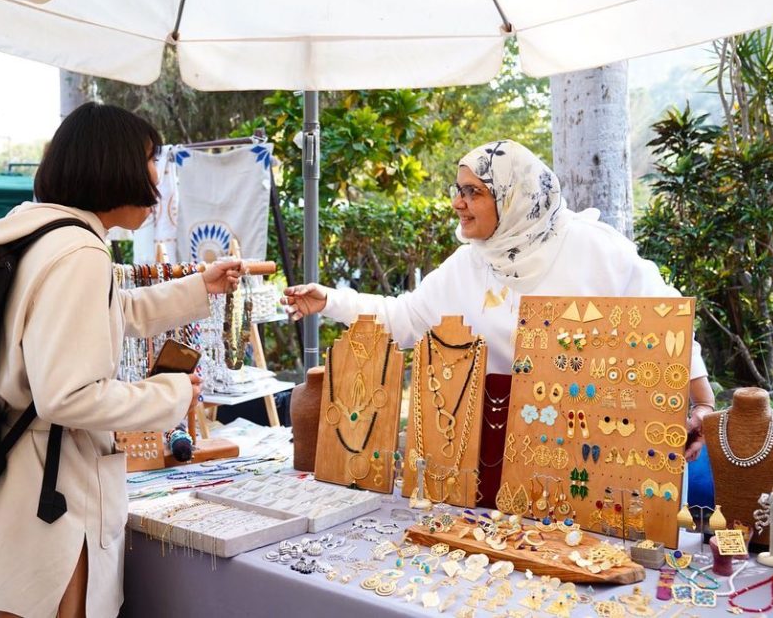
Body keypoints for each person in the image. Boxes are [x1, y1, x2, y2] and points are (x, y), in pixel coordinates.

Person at [0, 102, 242, 618]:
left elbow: (103, 312)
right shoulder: (78, 253)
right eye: (150, 160)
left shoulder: (42, 236)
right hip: (53, 499)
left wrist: (196, 289)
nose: (156, 177)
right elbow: (67, 395)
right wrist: (168, 395)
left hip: (29, 485)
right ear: (112, 164)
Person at [282, 140, 716, 494]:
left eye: (474, 192)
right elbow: (405, 317)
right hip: (499, 449)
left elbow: (666, 323)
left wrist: (703, 403)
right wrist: (330, 301)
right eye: (458, 189)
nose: (457, 203)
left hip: (599, 448)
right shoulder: (468, 264)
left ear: (514, 197)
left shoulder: (594, 248)